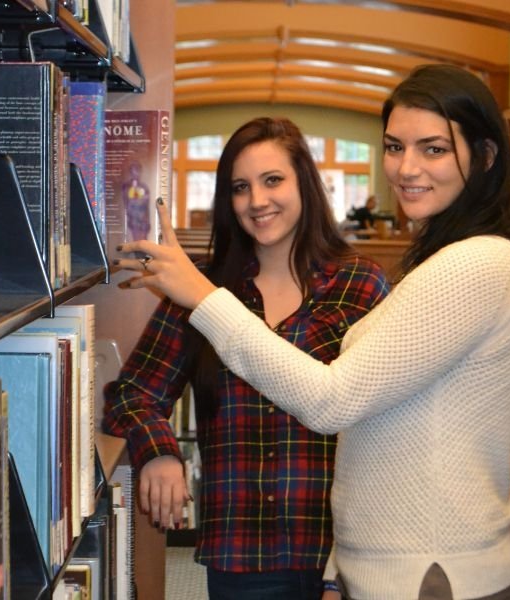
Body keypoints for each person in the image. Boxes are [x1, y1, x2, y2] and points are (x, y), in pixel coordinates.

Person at [114, 65, 510, 600]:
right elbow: (382, 429)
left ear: (484, 155)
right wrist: (160, 448)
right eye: (394, 146)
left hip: (422, 570)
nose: (407, 168)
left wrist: (202, 298)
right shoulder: (439, 265)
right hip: (280, 553)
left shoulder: (462, 267)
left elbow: (334, 401)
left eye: (433, 149)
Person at [105, 117, 389, 600]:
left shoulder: (361, 285)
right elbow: (131, 393)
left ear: (306, 184)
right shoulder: (202, 291)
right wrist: (159, 450)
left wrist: (342, 573)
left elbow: (386, 419)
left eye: (273, 180)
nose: (257, 201)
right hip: (242, 554)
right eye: (240, 187)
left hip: (345, 549)